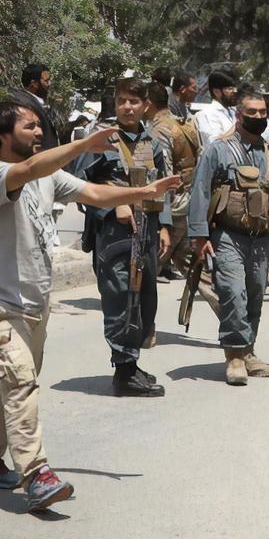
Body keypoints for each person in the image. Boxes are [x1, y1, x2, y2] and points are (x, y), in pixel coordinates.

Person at [0, 101, 179, 511]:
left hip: (34, 303)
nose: (39, 131)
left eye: (39, 126)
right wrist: (82, 147)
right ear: (4, 135)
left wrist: (143, 192)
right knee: (21, 382)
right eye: (29, 127)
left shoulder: (47, 175)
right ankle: (36, 473)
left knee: (13, 384)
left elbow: (94, 192)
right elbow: (29, 171)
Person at [188, 88, 269, 385]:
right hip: (228, 235)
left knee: (255, 295)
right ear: (238, 114)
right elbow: (201, 191)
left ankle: (248, 351)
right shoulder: (219, 149)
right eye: (251, 113)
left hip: (261, 239)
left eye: (262, 112)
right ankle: (233, 356)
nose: (257, 117)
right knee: (233, 293)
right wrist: (198, 235)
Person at [73, 78, 174, 397]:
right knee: (120, 298)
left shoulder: (150, 142)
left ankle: (131, 363)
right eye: (121, 101)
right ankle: (124, 371)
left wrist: (166, 226)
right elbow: (76, 186)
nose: (127, 107)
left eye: (133, 101)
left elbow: (160, 188)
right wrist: (112, 204)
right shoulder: (103, 140)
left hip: (146, 233)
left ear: (146, 105)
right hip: (114, 238)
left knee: (144, 301)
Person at [148, 81, 207, 290]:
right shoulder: (185, 124)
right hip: (188, 201)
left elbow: (164, 172)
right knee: (192, 264)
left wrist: (163, 215)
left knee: (149, 265)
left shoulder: (160, 130)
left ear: (148, 104)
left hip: (171, 208)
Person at [195, 65, 269, 150]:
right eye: (230, 89)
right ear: (216, 92)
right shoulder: (206, 114)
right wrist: (239, 126)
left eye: (235, 88)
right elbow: (213, 147)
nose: (235, 91)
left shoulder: (237, 110)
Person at [8, 64, 59, 151]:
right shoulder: (24, 105)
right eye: (46, 81)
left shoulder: (34, 102)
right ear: (34, 84)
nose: (49, 84)